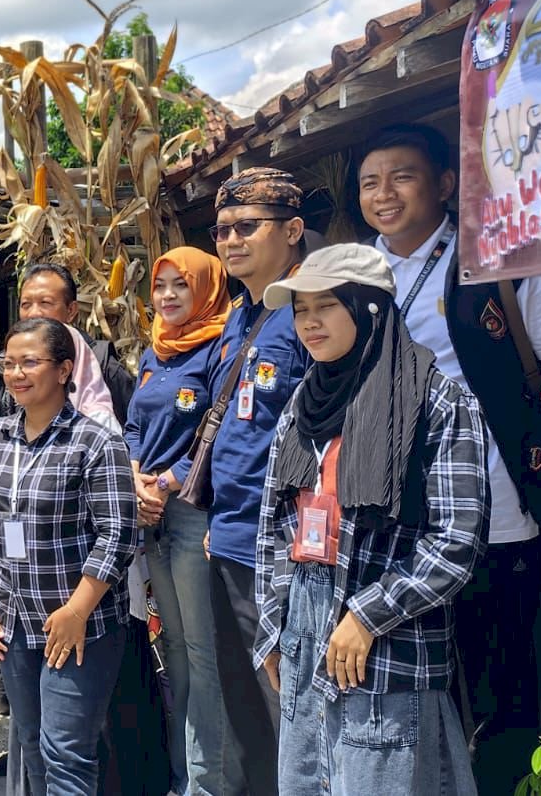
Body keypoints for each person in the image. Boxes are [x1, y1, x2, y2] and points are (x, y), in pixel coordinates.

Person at [356, 123, 541, 788]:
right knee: (418, 695)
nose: (383, 194)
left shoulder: (499, 262)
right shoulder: (354, 278)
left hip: (495, 520)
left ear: (445, 185)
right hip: (395, 527)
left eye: (401, 176)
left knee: (500, 697)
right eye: (369, 182)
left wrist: (528, 451)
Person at [253, 243, 487, 794]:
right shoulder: (303, 403)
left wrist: (367, 615)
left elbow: (458, 540)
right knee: (303, 784)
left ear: (369, 308)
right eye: (300, 310)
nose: (308, 323)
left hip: (386, 634)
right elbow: (274, 525)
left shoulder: (436, 400)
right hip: (303, 625)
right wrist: (271, 631)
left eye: (325, 307)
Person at [0, 318, 137, 796]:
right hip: (14, 621)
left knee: (66, 750)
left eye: (30, 362)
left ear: (64, 370)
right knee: (31, 742)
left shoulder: (96, 442)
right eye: (9, 363)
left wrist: (77, 610)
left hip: (78, 625)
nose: (16, 373)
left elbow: (118, 535)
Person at [203, 166, 315, 796]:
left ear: (293, 230)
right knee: (243, 701)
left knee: (286, 706)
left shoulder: (311, 309)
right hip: (229, 537)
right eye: (222, 230)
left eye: (248, 226)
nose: (231, 241)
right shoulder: (239, 317)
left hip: (283, 546)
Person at [125, 247, 236, 796]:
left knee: (201, 651)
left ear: (206, 290)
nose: (167, 297)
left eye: (180, 287)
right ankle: (181, 776)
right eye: (160, 286)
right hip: (152, 516)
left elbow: (221, 436)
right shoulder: (153, 353)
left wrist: (166, 483)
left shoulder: (222, 348)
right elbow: (133, 427)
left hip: (193, 515)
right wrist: (135, 476)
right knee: (170, 647)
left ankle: (209, 783)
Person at [0, 262, 120, 429]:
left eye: (45, 303)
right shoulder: (3, 367)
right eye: (26, 304)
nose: (34, 313)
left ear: (71, 310)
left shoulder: (101, 363)